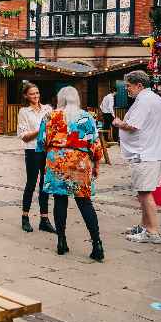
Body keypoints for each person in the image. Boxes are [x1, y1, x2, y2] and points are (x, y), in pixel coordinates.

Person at [37, 86, 104, 261]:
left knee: (59, 200)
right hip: (79, 162)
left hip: (57, 161)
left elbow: (41, 142)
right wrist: (97, 164)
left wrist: (52, 153)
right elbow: (95, 144)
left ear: (60, 99)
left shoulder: (50, 116)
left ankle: (61, 241)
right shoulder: (87, 116)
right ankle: (97, 243)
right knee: (84, 202)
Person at [113, 70, 161, 244]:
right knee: (144, 191)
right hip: (155, 151)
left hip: (145, 153)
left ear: (139, 85)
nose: (127, 89)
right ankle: (145, 226)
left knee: (144, 193)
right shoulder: (154, 98)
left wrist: (118, 123)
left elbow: (133, 125)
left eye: (128, 86)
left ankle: (152, 232)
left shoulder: (144, 100)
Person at [16, 82, 55, 233]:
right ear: (26, 96)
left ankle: (44, 219)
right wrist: (40, 130)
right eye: (32, 94)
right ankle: (25, 217)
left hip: (47, 151)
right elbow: (24, 136)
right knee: (31, 183)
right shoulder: (24, 112)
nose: (35, 96)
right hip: (32, 150)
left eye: (37, 93)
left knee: (45, 185)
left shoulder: (48, 109)